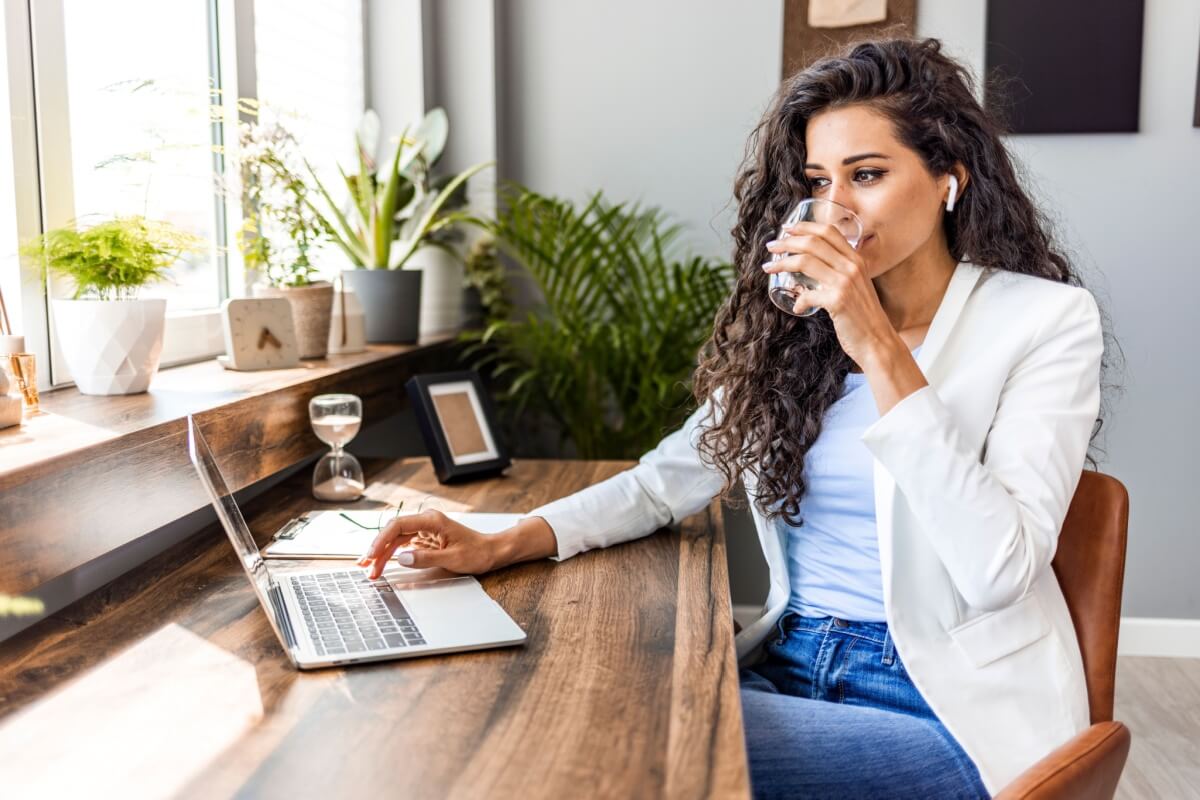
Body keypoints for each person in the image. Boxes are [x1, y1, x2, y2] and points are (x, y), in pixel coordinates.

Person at [358, 37, 1107, 799]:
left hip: (947, 706)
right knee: (593, 693)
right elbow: (663, 483)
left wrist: (877, 344)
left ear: (951, 177)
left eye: (868, 175)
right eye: (819, 181)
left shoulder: (1043, 320)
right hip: (791, 661)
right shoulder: (801, 334)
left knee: (626, 732)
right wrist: (503, 540)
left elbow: (999, 572)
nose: (838, 208)